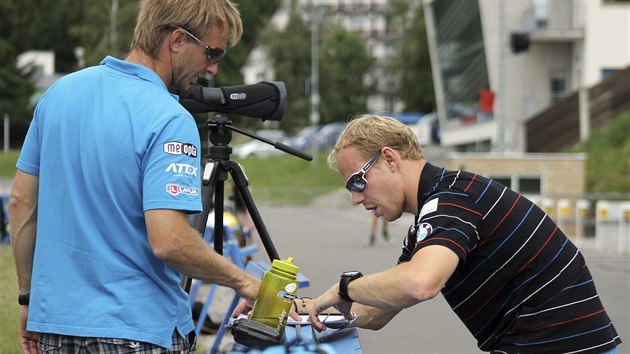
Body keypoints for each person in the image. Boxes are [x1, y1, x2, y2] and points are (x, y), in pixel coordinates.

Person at [9, 1, 263, 353]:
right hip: (138, 330)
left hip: (56, 326)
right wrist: (246, 282)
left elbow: (21, 203)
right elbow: (170, 241)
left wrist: (28, 298)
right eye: (212, 52)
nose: (213, 68)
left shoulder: (59, 94)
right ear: (176, 40)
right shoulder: (170, 118)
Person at [308, 114, 621, 353]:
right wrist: (309, 310)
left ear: (389, 159)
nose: (356, 198)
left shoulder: (451, 201)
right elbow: (379, 310)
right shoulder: (434, 212)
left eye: (357, 182)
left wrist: (345, 287)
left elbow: (419, 283)